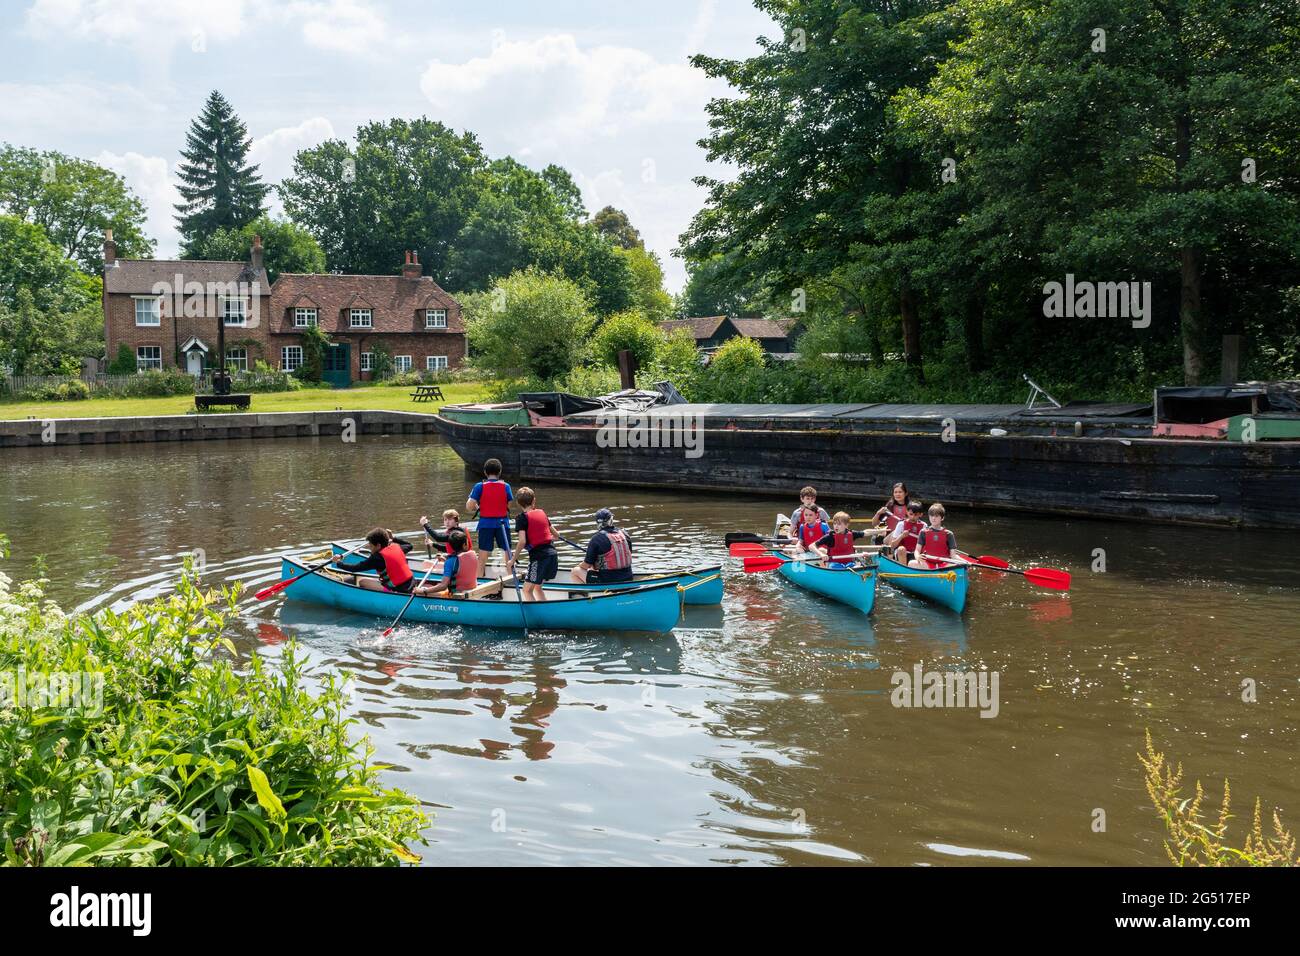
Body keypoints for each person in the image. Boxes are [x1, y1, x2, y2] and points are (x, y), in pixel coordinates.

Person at [507, 487, 558, 602]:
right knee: (538, 587)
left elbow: (522, 541)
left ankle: (537, 618)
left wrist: (513, 560)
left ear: (519, 503)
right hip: (552, 555)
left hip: (539, 558)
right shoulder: (542, 513)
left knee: (526, 590)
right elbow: (556, 535)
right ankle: (545, 611)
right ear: (534, 500)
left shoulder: (521, 518)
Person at [464, 458, 513, 571]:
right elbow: (508, 505)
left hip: (486, 524)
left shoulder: (479, 486)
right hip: (503, 524)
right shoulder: (506, 486)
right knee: (508, 554)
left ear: (485, 472)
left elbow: (469, 507)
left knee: (482, 556)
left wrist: (480, 507)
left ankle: (479, 579)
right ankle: (510, 576)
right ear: (499, 472)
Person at [334, 528, 415, 593]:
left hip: (398, 590)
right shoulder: (398, 547)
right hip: (412, 584)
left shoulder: (377, 558)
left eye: (371, 545)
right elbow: (409, 545)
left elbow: (355, 568)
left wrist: (338, 563)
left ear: (378, 545)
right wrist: (393, 538)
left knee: (362, 581)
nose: (370, 548)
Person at [570, 508, 634, 584]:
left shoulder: (596, 539)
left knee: (575, 571)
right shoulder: (625, 534)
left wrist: (579, 565)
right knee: (594, 568)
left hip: (607, 581)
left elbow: (586, 565)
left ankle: (584, 595)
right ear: (611, 519)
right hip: (629, 577)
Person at [419, 529, 479, 596]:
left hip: (457, 595)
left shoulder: (450, 561)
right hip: (472, 589)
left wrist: (423, 590)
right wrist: (445, 560)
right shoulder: (473, 555)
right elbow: (461, 566)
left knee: (425, 586)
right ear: (464, 545)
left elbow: (443, 586)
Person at [909, 503, 958, 569]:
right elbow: (917, 550)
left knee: (957, 565)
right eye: (931, 516)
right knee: (911, 563)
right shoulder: (923, 532)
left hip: (943, 565)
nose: (933, 518)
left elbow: (953, 556)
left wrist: (962, 563)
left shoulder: (949, 534)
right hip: (927, 563)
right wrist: (917, 556)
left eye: (936, 516)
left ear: (942, 518)